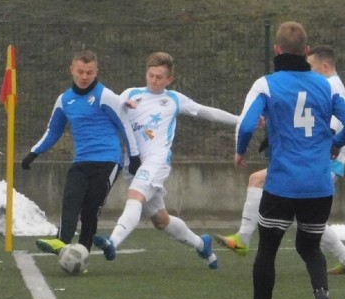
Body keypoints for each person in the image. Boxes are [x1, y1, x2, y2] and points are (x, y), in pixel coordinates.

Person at [234, 23, 345, 299]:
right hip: (319, 186)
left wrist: (240, 152)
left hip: (282, 185)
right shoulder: (327, 85)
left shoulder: (266, 84)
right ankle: (321, 293)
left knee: (267, 251)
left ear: (276, 51)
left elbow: (248, 124)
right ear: (306, 53)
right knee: (310, 247)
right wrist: (336, 142)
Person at [216, 45, 345, 275]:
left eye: (312, 67)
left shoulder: (329, 85)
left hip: (320, 160)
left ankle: (243, 237)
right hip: (317, 159)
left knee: (262, 184)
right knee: (308, 217)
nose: (308, 72)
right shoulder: (329, 84)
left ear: (324, 66)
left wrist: (332, 144)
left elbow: (331, 126)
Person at [92, 51, 240, 269]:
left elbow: (207, 112)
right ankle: (202, 244)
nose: (154, 80)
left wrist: (241, 120)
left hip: (157, 161)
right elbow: (110, 110)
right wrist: (123, 105)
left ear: (169, 79)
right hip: (133, 164)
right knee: (161, 220)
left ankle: (112, 242)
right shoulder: (130, 94)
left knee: (135, 197)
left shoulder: (174, 99)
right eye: (151, 75)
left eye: (159, 77)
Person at [21, 49, 141, 255]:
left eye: (89, 72)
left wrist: (134, 156)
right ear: (72, 71)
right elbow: (53, 131)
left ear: (96, 72)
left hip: (108, 161)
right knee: (71, 199)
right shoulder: (64, 100)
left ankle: (82, 252)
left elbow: (124, 125)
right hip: (81, 161)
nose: (84, 77)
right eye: (80, 71)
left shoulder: (105, 96)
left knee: (90, 209)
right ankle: (62, 240)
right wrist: (34, 153)